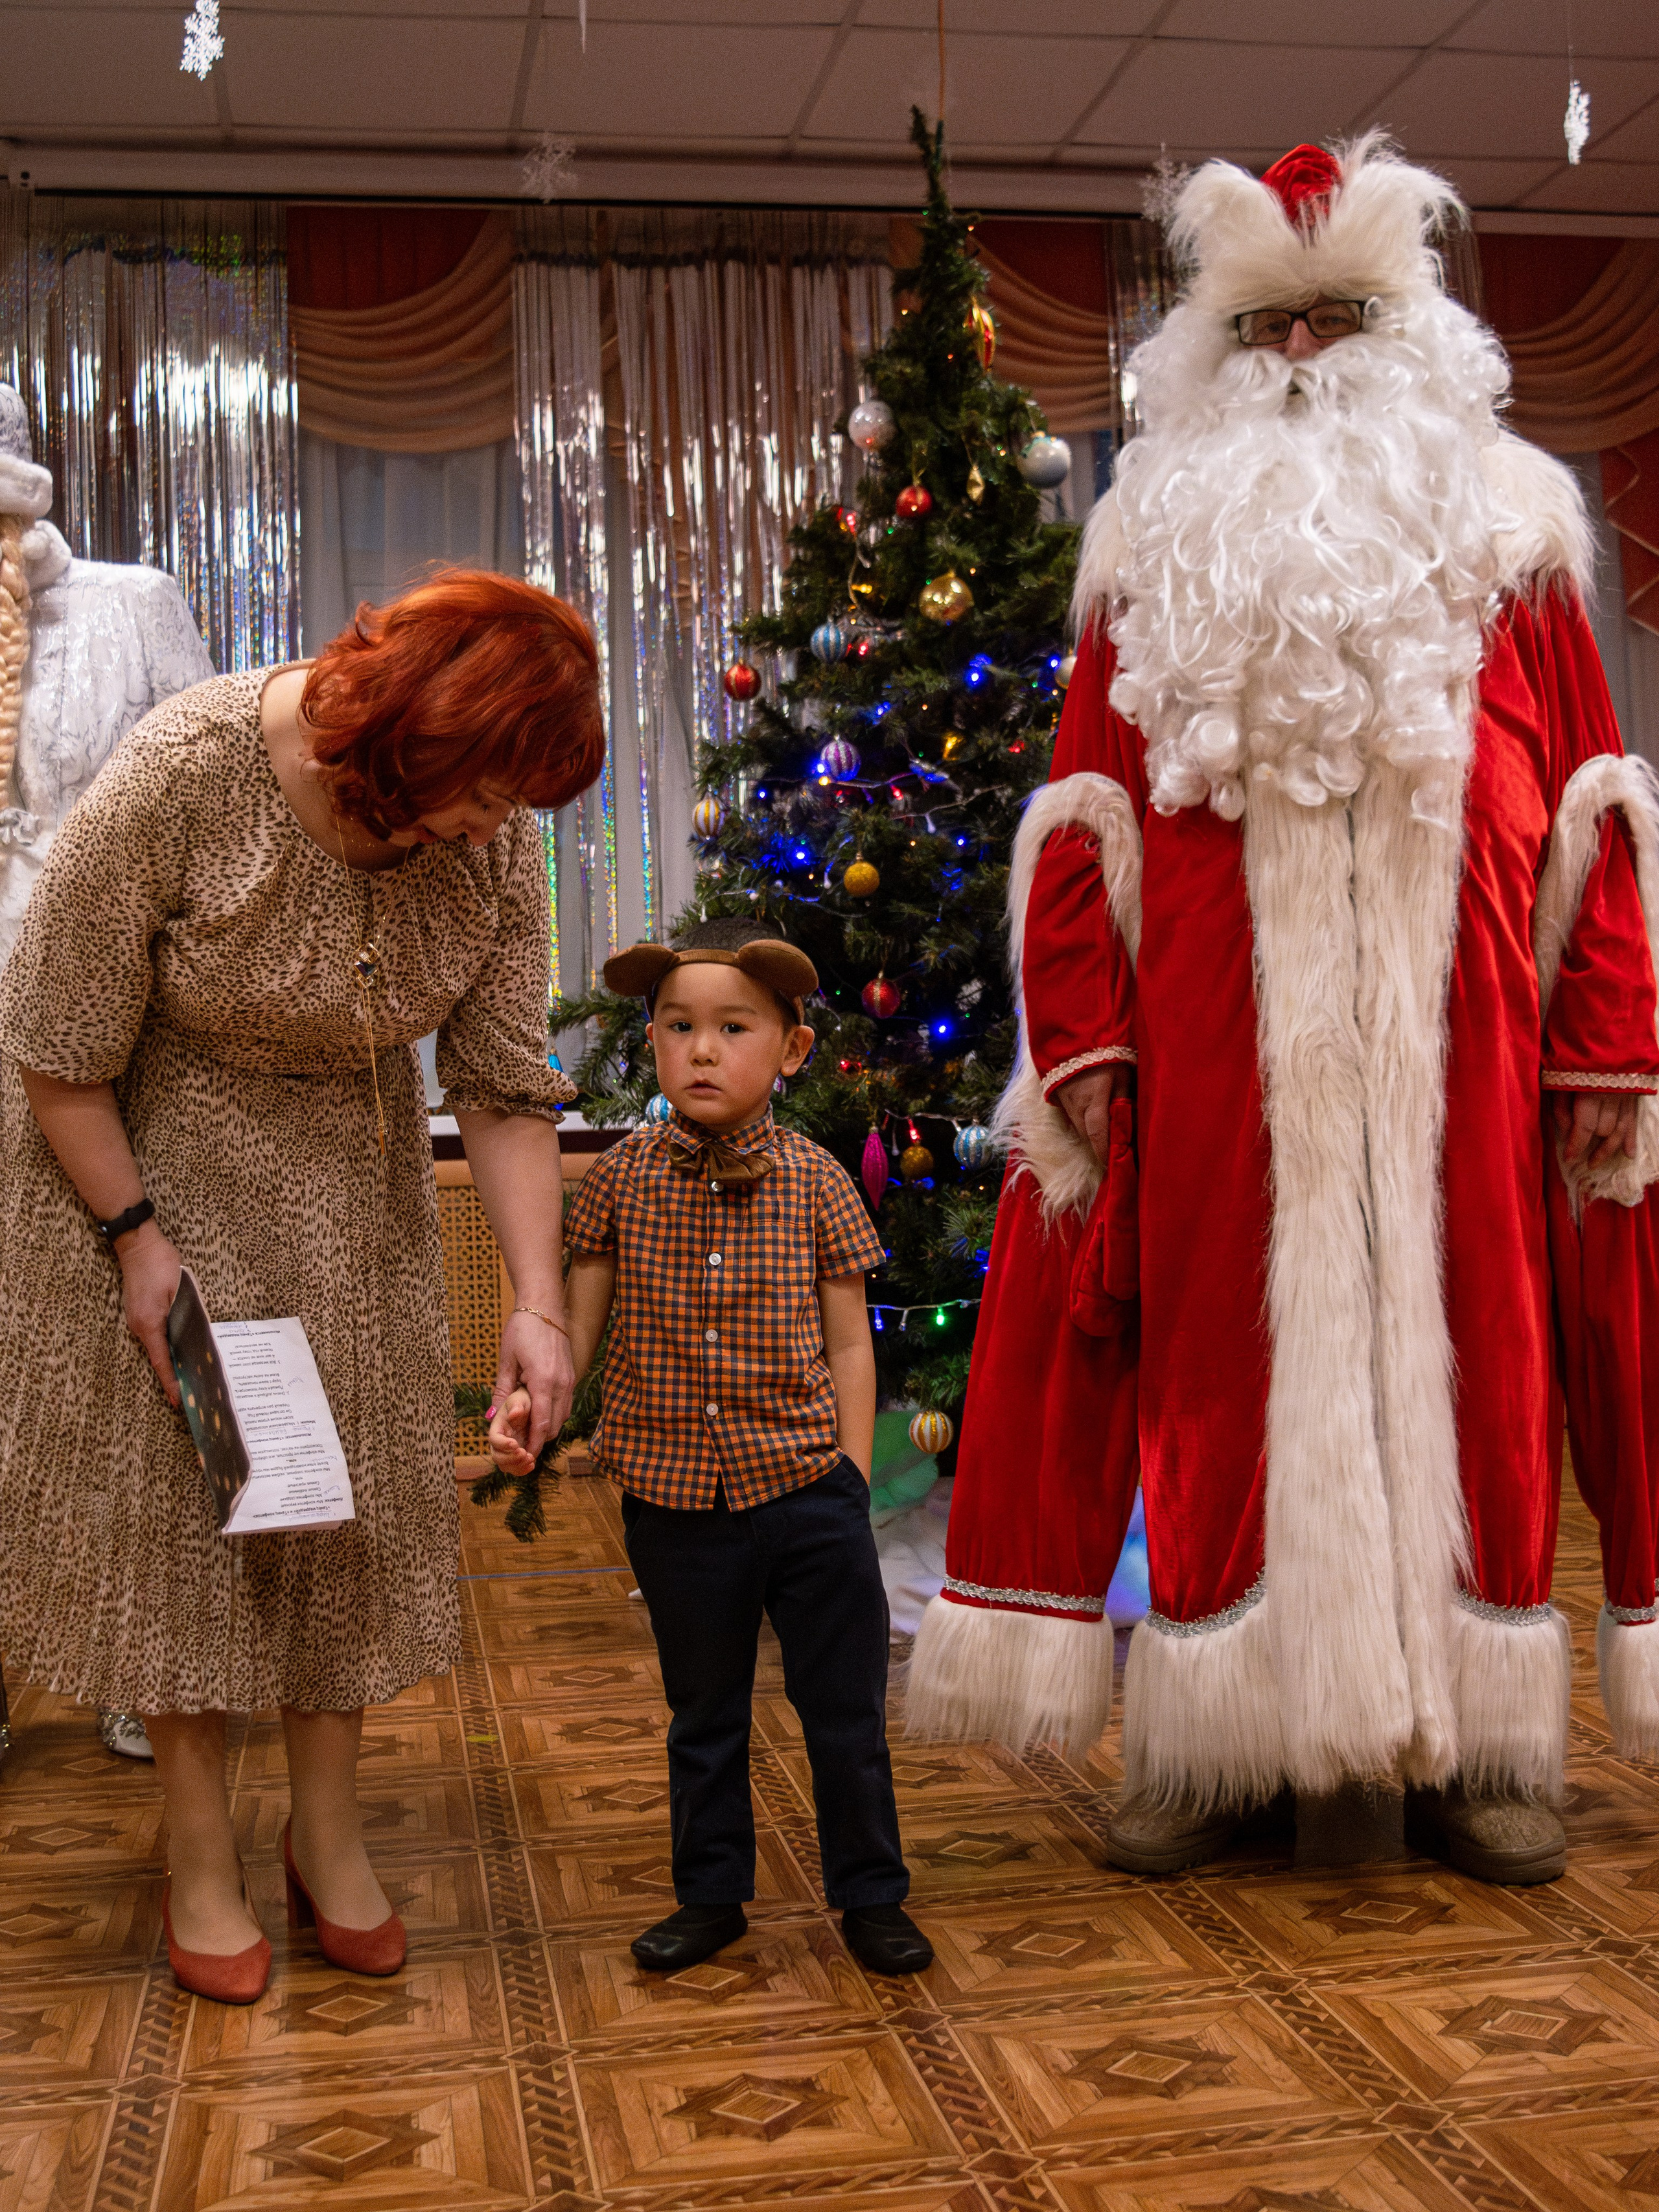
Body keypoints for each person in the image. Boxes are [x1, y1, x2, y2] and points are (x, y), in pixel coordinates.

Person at [907, 136, 1659, 1886]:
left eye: (1339, 321)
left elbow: (1600, 804)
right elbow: (1081, 816)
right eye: (1269, 328)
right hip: (1212, 1044)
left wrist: (1605, 1035)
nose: (1305, 361)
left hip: (1468, 1038)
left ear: (1411, 337)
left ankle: (1481, 1740)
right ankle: (1214, 1729)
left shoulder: (1520, 530)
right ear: (1215, 352)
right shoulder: (1143, 544)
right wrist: (1082, 1037)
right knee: (1211, 1374)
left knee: (1489, 1371)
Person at [0, 570, 601, 2002]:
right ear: (401, 731)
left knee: (335, 1513)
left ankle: (327, 1836)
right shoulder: (186, 771)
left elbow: (509, 1087)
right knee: (187, 1525)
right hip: (143, 1182)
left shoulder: (488, 842)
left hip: (352, 1196)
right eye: (477, 791)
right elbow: (52, 1051)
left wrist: (530, 1297)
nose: (491, 829)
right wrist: (141, 1243)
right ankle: (197, 1853)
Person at [489, 916, 934, 1975]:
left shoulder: (819, 1179)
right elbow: (576, 1332)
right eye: (677, 1025)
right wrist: (533, 1413)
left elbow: (847, 1342)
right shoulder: (620, 1181)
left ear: (789, 1049)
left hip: (805, 1488)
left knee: (843, 1715)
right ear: (649, 1041)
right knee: (705, 1714)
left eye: (732, 1027)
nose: (700, 1049)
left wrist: (853, 1478)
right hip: (676, 1499)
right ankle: (712, 1893)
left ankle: (871, 1895)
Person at [0, 380, 216, 1766]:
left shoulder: (134, 604)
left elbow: (214, 810)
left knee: (154, 1332)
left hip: (122, 1051)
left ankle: (170, 1647)